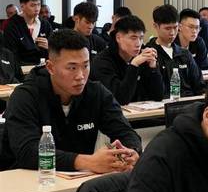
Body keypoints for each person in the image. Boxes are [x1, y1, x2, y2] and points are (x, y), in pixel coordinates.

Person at [0, 29, 142, 172]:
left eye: (85, 66)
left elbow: (126, 132)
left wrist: (131, 152)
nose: (80, 76)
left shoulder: (96, 93)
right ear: (50, 67)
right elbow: (27, 152)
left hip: (78, 179)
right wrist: (87, 162)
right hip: (28, 178)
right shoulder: (25, 96)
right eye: (72, 67)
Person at [91, 15, 164, 105]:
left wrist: (153, 68)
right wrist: (134, 65)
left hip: (141, 111)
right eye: (133, 38)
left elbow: (158, 96)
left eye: (141, 38)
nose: (138, 44)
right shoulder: (102, 62)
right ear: (118, 38)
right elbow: (120, 99)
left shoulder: (142, 58)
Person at [146, 4, 204, 98]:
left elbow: (199, 85)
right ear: (156, 26)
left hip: (188, 101)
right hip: (163, 102)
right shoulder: (149, 54)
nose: (172, 33)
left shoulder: (185, 54)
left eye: (175, 27)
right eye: (167, 28)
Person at [4, 0, 54, 65]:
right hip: (21, 67)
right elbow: (11, 53)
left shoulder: (45, 24)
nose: (37, 9)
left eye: (39, 5)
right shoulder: (12, 25)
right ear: (22, 6)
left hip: (43, 66)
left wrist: (49, 46)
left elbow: (54, 50)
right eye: (33, 5)